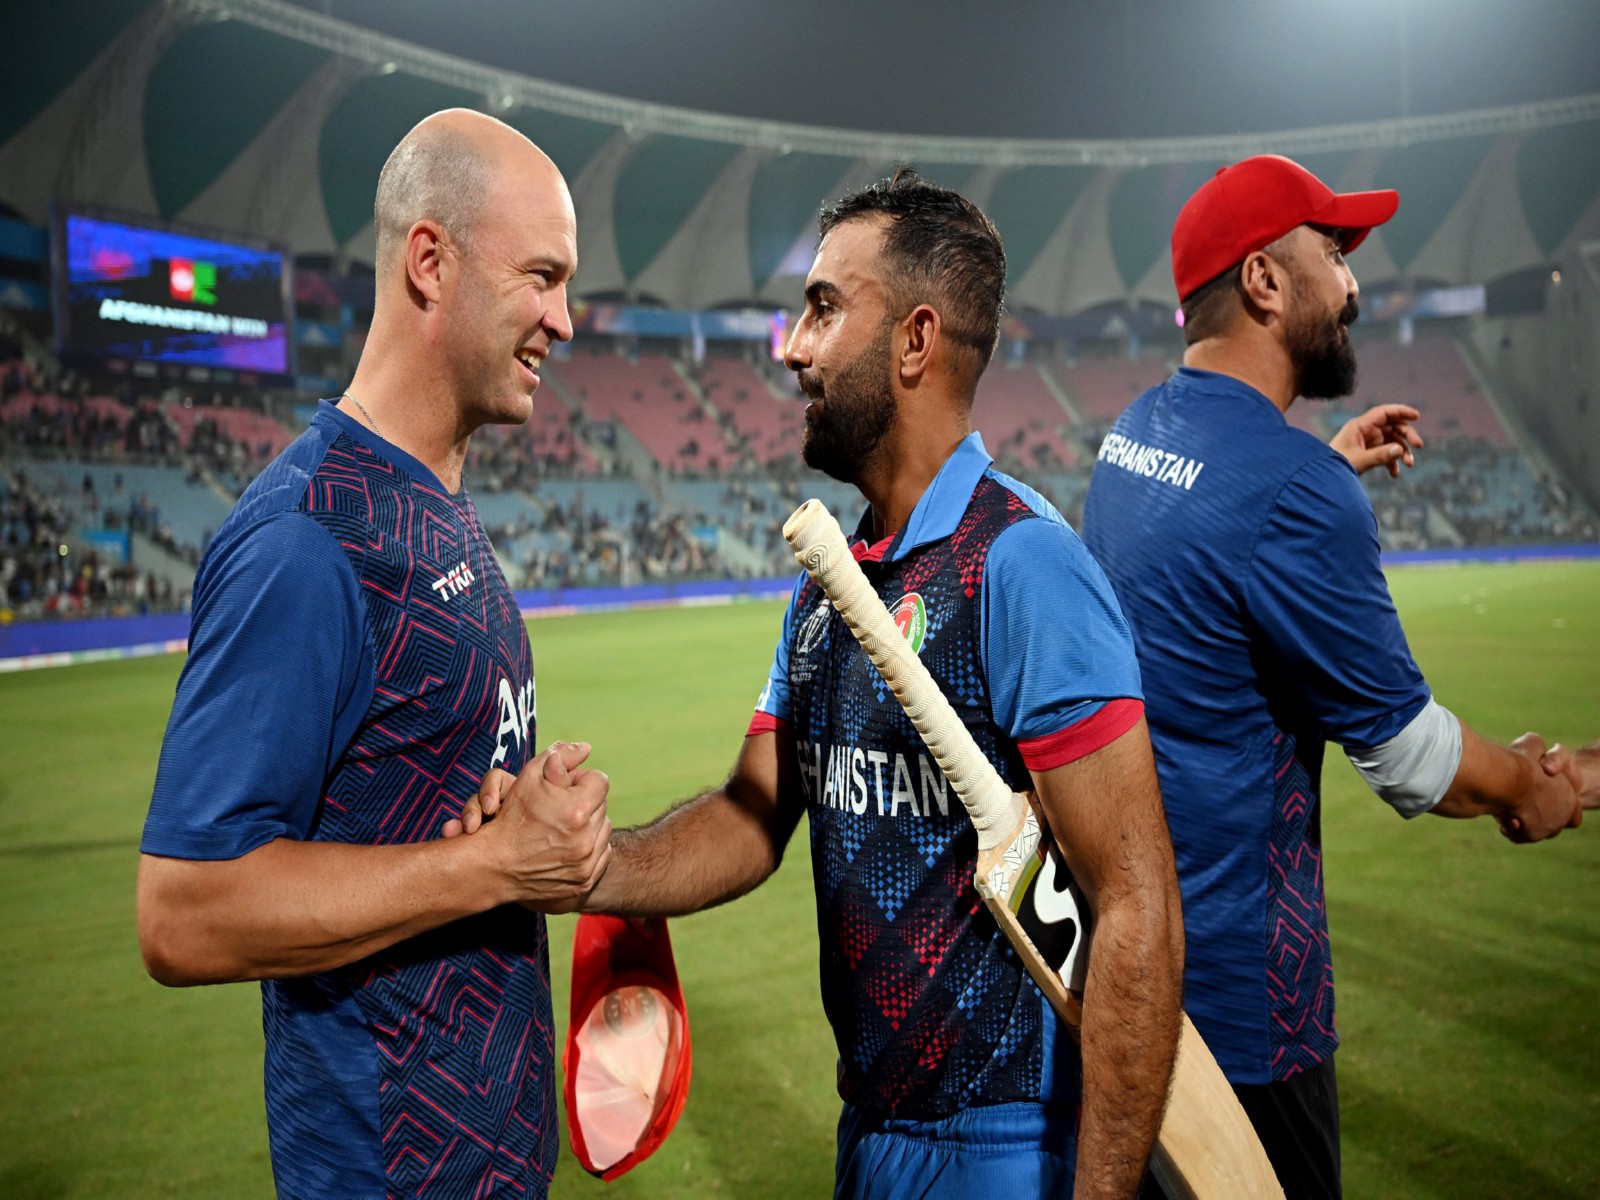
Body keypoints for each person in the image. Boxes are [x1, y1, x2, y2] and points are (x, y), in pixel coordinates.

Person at [456, 169, 1185, 1199]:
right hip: (869, 1135)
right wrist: (584, 863)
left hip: (1007, 1148)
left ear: (915, 341)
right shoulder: (832, 585)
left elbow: (1135, 903)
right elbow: (754, 817)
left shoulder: (1020, 566)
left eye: (823, 309)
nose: (791, 349)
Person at [1078, 153, 1587, 1200]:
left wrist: (1319, 469)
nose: (1354, 283)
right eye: (1333, 252)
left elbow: (1207, 543)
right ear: (1265, 281)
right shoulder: (1288, 492)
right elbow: (1412, 762)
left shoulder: (1132, 435)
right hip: (1247, 1009)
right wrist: (1534, 785)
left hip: (1125, 979)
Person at [136, 110, 612, 1199]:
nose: (565, 320)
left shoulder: (433, 499)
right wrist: (492, 865)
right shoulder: (307, 541)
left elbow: (410, 790)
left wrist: (521, 816)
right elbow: (182, 910)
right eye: (541, 277)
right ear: (429, 262)